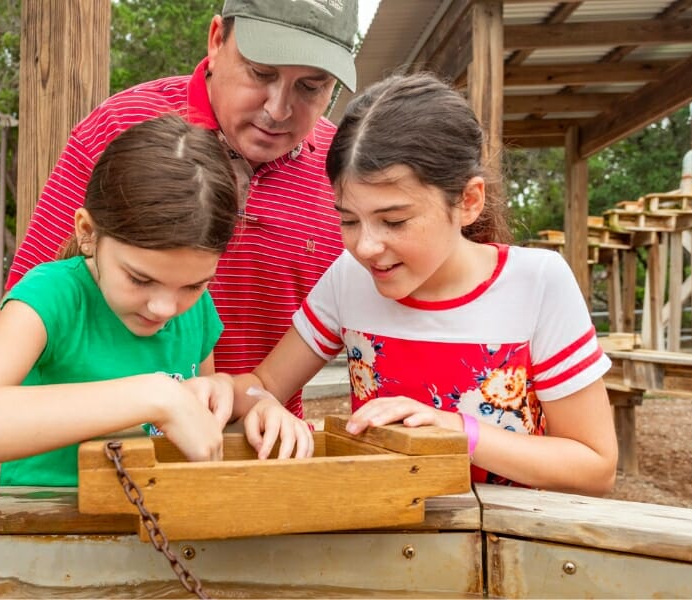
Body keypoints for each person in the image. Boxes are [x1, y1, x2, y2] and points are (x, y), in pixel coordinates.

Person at [0, 0, 357, 502]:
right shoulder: (116, 130)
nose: (278, 108)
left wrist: (252, 402)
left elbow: (225, 386)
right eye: (261, 72)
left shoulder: (344, 171)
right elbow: (24, 332)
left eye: (311, 87)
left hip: (224, 491)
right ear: (217, 40)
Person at [234, 73, 619, 494]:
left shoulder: (537, 283)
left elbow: (595, 467)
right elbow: (264, 385)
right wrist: (257, 404)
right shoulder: (350, 277)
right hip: (388, 543)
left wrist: (458, 431)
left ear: (469, 201)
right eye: (347, 219)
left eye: (394, 221)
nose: (365, 246)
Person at [0, 115, 239, 484]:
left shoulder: (196, 312)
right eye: (139, 278)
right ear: (87, 233)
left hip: (161, 531)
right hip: (45, 532)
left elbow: (203, 418)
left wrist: (251, 402)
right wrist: (153, 395)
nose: (165, 308)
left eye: (194, 286)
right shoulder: (50, 298)